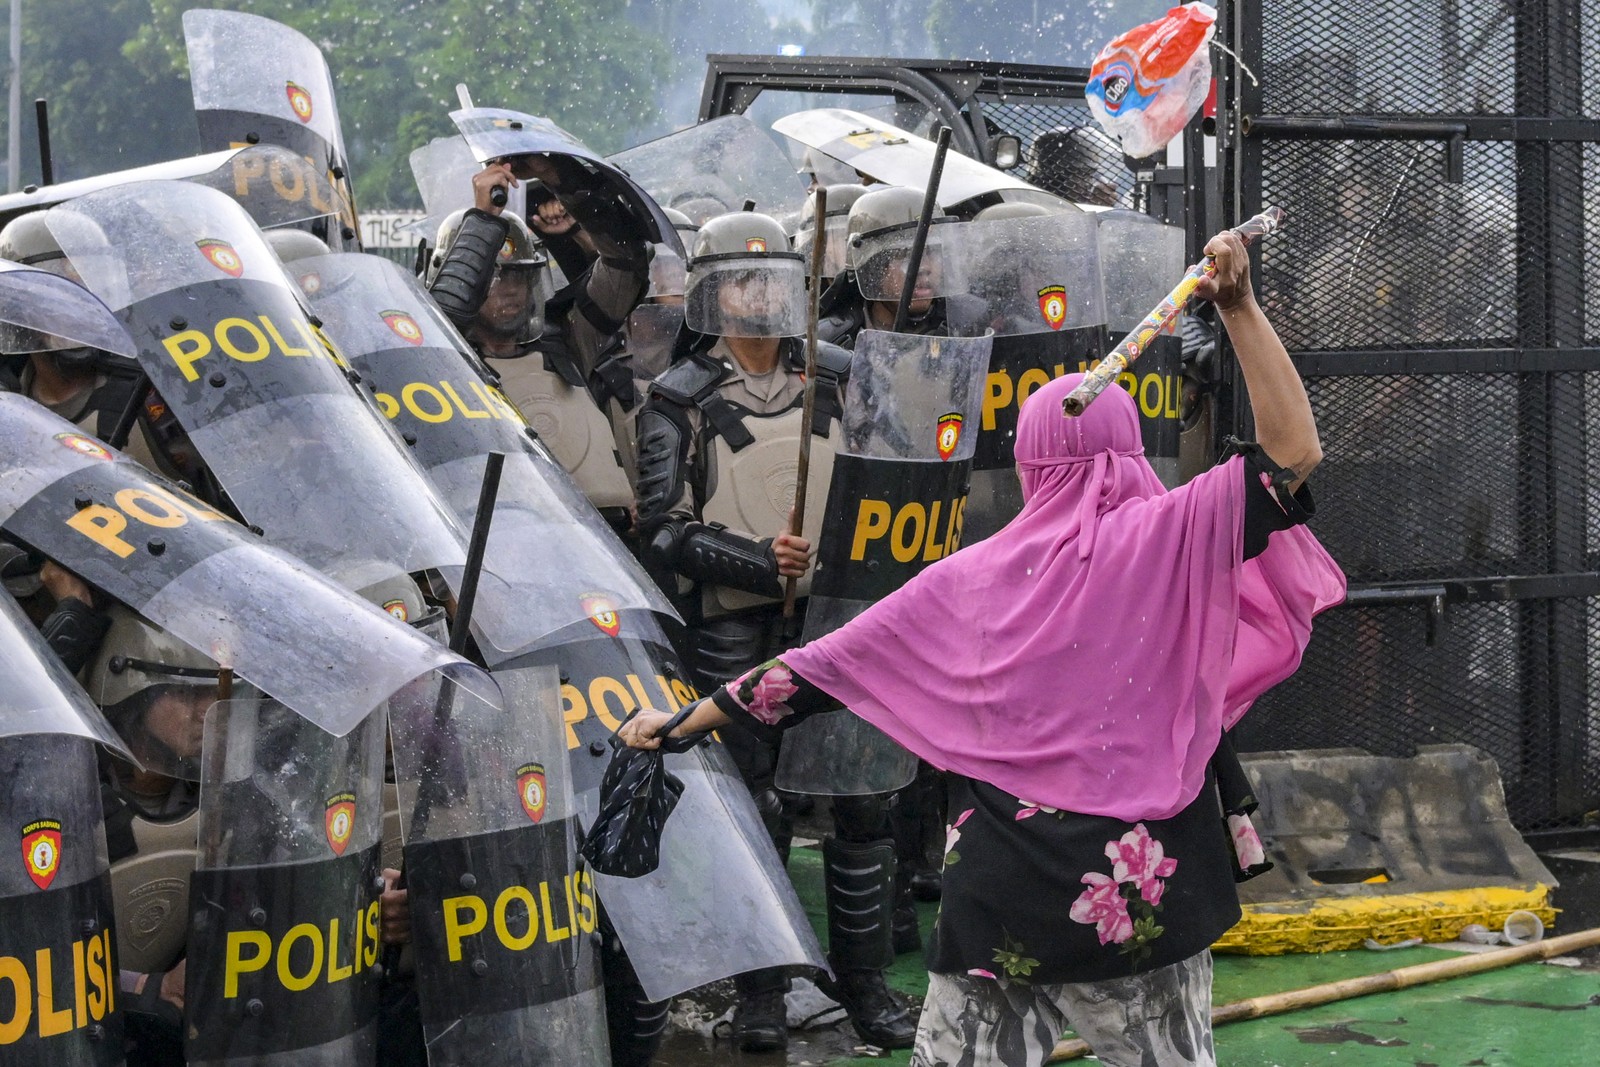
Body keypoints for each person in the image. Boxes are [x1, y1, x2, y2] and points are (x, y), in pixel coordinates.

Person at [621, 231, 1346, 1067]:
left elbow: (810, 671)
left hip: (1000, 879)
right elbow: (1294, 453)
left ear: (1035, 460)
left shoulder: (969, 577)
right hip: (1135, 881)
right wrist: (1241, 307)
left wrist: (677, 724)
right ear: (1127, 440)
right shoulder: (1175, 533)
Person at [634, 209, 914, 1053]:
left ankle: (864, 981)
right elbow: (662, 527)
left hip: (843, 621)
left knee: (864, 802)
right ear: (715, 291)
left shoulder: (846, 376)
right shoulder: (676, 400)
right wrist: (761, 561)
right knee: (758, 810)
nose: (762, 294)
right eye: (744, 279)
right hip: (735, 629)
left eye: (775, 278)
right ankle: (763, 986)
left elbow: (896, 479)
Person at [428, 158, 651, 530]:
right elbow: (441, 324)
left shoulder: (568, 338)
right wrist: (483, 218)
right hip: (521, 547)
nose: (510, 290)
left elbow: (627, 259)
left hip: (614, 544)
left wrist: (558, 176)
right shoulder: (446, 367)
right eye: (495, 277)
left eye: (518, 277)